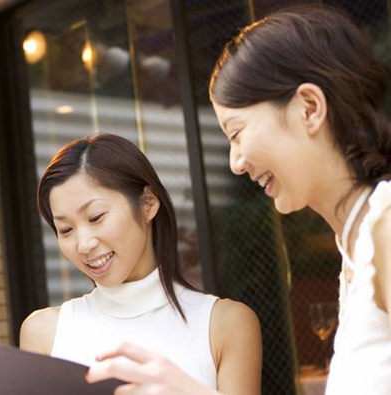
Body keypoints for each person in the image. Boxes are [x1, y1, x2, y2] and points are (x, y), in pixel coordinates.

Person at [86, 5, 391, 394]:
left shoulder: (386, 229)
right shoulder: (355, 249)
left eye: (237, 132)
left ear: (309, 108)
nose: (235, 163)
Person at [20, 133, 262, 394]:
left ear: (148, 203)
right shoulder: (44, 332)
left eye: (96, 217)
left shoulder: (225, 324)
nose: (83, 244)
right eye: (65, 230)